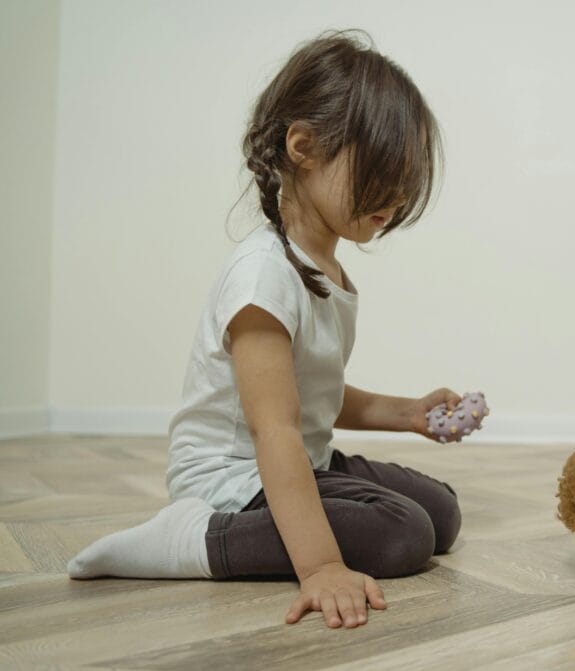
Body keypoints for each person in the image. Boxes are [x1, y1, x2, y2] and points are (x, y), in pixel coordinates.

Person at [67, 30, 464, 631]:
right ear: (303, 146)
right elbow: (272, 426)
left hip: (292, 455)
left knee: (443, 513)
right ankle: (196, 538)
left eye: (408, 176)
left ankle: (300, 510)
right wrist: (322, 566)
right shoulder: (263, 277)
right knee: (402, 534)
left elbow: (313, 393)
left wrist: (406, 412)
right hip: (231, 473)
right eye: (384, 169)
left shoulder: (321, 268)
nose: (399, 194)